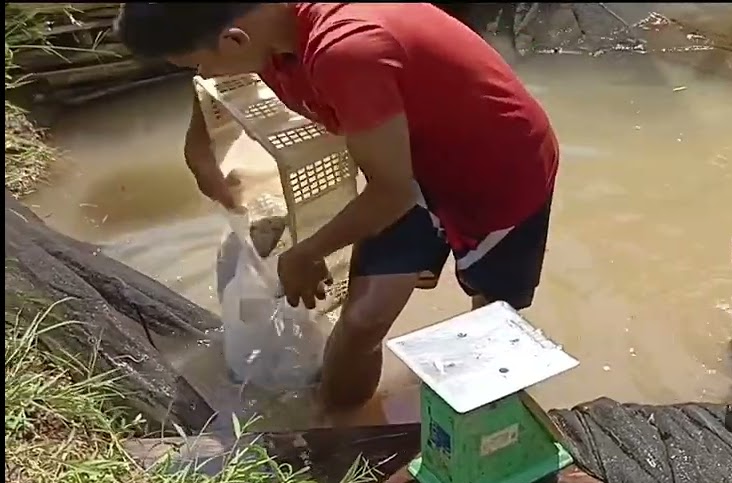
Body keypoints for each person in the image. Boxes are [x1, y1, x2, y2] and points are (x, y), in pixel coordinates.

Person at [114, 3, 559, 409]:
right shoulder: (267, 30)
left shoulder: (345, 51)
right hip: (408, 165)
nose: (202, 73)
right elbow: (220, 80)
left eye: (197, 63)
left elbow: (392, 193)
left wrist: (308, 251)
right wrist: (200, 141)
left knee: (491, 317)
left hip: (497, 174)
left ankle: (477, 424)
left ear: (234, 40)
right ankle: (338, 428)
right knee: (362, 322)